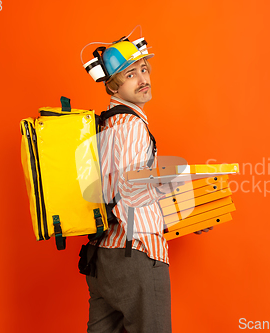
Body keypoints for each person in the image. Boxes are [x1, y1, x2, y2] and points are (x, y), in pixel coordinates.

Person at [85, 37, 211, 333]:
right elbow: (129, 194)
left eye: (144, 70)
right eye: (130, 75)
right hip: (137, 255)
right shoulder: (132, 127)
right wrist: (184, 211)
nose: (143, 79)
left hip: (103, 256)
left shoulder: (108, 125)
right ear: (112, 86)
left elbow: (116, 188)